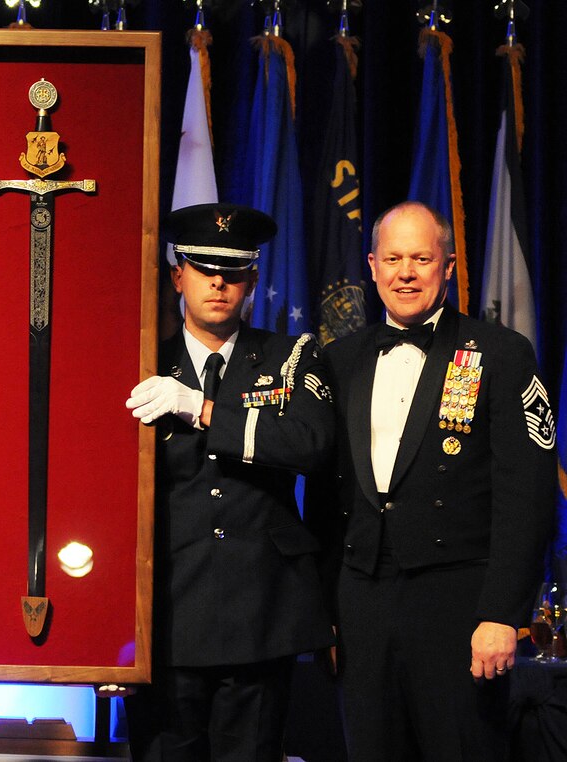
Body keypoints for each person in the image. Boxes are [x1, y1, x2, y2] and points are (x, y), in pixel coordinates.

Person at [309, 201, 556, 761]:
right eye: (393, 258)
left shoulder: (500, 353)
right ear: (371, 266)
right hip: (361, 606)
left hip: (460, 607)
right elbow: (326, 500)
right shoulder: (339, 360)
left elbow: (528, 495)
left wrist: (502, 614)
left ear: (447, 264)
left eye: (421, 258)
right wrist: (322, 610)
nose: (406, 272)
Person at [123, 203, 335, 761]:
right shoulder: (141, 363)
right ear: (177, 274)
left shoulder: (292, 356)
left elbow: (310, 445)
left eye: (234, 271)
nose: (219, 282)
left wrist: (203, 409)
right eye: (203, 268)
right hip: (168, 609)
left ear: (253, 279)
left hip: (262, 610)